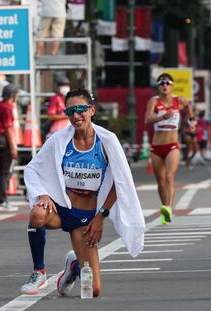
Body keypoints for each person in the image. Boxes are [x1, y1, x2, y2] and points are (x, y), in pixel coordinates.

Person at [21, 88, 145, 296]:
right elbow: (33, 168)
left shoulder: (107, 141)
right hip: (61, 210)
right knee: (37, 213)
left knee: (94, 289)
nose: (75, 116)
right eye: (70, 112)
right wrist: (42, 193)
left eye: (80, 109)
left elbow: (120, 181)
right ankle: (38, 272)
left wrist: (101, 216)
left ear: (92, 110)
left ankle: (74, 266)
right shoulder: (59, 140)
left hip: (86, 219)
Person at [144, 73, 195, 225]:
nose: (164, 85)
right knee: (160, 183)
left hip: (172, 144)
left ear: (171, 86)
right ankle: (164, 204)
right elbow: (147, 120)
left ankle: (168, 208)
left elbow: (189, 108)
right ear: (158, 86)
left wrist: (192, 122)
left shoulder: (179, 100)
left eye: (167, 83)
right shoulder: (154, 101)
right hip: (157, 146)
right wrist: (162, 117)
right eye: (161, 83)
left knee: (169, 177)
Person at [0, 84, 20, 213]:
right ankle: (3, 200)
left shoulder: (0, 105)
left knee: (1, 172)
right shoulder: (8, 108)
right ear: (12, 94)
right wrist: (13, 147)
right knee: (6, 172)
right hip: (6, 143)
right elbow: (8, 128)